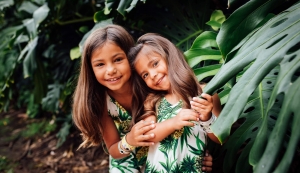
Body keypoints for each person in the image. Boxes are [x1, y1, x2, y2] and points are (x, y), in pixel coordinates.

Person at [72, 24, 214, 173]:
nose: (111, 70)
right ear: (91, 69)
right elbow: (114, 150)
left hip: (162, 154)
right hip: (126, 159)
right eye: (100, 64)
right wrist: (129, 141)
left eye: (118, 59)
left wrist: (197, 154)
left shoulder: (152, 85)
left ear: (132, 58)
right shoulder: (102, 102)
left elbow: (192, 120)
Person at [128, 33, 222, 172]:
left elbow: (221, 138)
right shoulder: (153, 101)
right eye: (145, 75)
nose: (152, 75)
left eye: (155, 64)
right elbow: (149, 135)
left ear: (169, 56)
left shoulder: (205, 94)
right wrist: (173, 122)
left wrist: (207, 117)